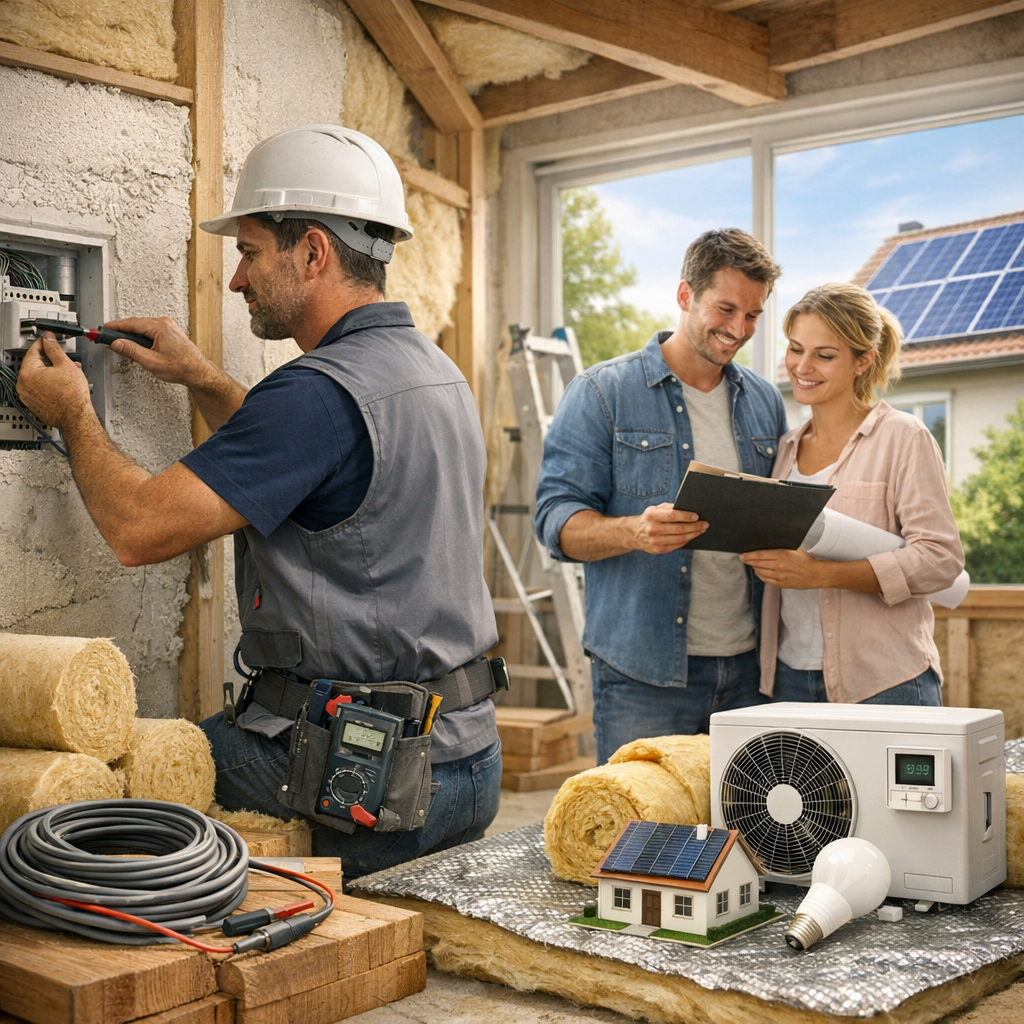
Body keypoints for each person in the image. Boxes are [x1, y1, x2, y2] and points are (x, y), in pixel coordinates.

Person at [16, 124, 504, 882]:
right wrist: (204, 378)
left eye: (247, 253)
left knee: (119, 786)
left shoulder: (312, 395)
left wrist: (73, 411)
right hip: (465, 761)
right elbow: (321, 468)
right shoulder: (430, 369)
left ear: (313, 252)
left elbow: (138, 530)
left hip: (364, 775)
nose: (237, 281)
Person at [534, 229, 787, 764]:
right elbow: (554, 523)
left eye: (753, 315)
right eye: (725, 309)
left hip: (749, 673)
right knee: (644, 842)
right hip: (642, 676)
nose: (738, 329)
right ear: (684, 296)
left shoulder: (764, 401)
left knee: (748, 842)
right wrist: (632, 531)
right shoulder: (603, 392)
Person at [740, 282, 964, 705]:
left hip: (885, 681)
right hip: (790, 679)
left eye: (824, 356)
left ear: (864, 361)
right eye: (795, 348)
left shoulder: (903, 437)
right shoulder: (785, 449)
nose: (802, 367)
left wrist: (822, 575)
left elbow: (941, 560)